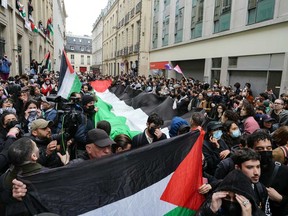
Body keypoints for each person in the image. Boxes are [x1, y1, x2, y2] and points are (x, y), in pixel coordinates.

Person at [247, 131, 288, 216]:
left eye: (269, 148)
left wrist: (280, 198)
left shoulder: (283, 171)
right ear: (250, 149)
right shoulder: (243, 170)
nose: (265, 152)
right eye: (260, 149)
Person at [196, 169, 264, 216]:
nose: (231, 201)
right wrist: (211, 211)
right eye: (227, 197)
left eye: (236, 199)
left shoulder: (257, 213)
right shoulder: (210, 208)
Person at [233, 148, 270, 215]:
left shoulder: (261, 188)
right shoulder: (229, 193)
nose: (256, 172)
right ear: (237, 168)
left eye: (258, 167)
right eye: (250, 167)